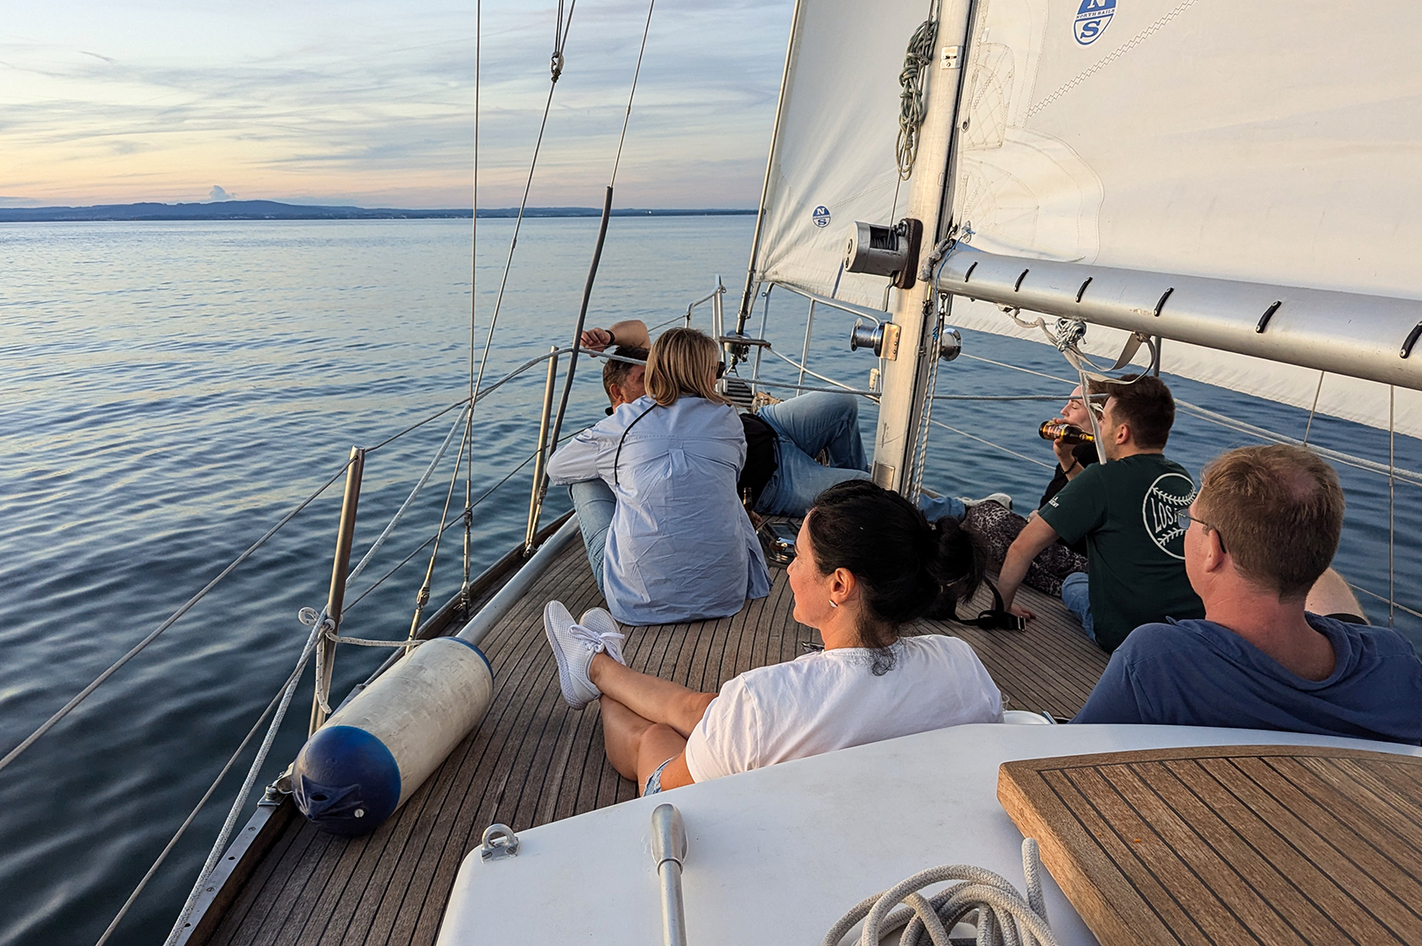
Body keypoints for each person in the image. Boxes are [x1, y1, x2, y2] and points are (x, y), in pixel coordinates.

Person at [540, 480, 1004, 794]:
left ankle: (595, 671)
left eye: (798, 556)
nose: (790, 569)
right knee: (708, 711)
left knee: (654, 735)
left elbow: (675, 796)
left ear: (839, 585)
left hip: (756, 830)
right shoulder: (961, 665)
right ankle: (601, 668)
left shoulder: (763, 701)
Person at [1074, 445, 1422, 744]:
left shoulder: (1157, 663)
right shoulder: (1393, 662)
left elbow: (1060, 764)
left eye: (1190, 520)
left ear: (1213, 549)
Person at [547, 327, 770, 625]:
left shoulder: (625, 421)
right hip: (725, 595)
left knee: (584, 480)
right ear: (703, 372)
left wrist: (619, 471)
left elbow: (557, 468)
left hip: (637, 603)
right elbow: (734, 469)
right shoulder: (728, 417)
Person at [997, 374, 1204, 651]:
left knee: (1075, 584)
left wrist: (1000, 609)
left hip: (1128, 634)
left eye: (1103, 419)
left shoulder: (1102, 477)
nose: (1098, 426)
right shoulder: (1181, 477)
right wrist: (1067, 458)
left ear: (1122, 433)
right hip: (1189, 628)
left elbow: (1022, 548)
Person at [583, 319, 873, 517]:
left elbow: (639, 330)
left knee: (842, 402)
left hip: (770, 424)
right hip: (773, 480)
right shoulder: (630, 431)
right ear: (617, 392)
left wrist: (607, 337)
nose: (657, 379)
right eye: (644, 378)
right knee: (866, 488)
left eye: (654, 369)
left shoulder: (663, 383)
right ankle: (851, 510)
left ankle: (849, 515)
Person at [953, 383, 1101, 598]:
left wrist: (1038, 518)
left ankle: (1053, 583)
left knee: (985, 518)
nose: (1063, 411)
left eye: (1075, 405)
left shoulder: (1090, 455)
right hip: (1069, 546)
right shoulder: (1084, 450)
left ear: (1100, 417)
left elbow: (1063, 513)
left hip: (1077, 557)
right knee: (982, 522)